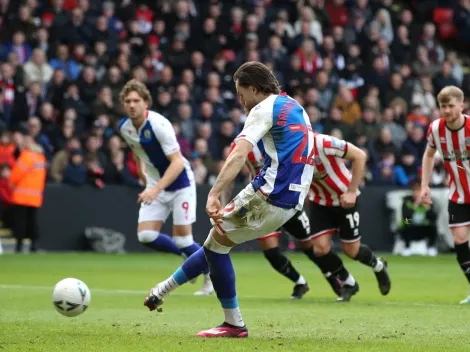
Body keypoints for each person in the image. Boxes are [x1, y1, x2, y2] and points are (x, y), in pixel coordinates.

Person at [144, 62, 315, 338]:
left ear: (255, 88)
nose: (240, 100)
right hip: (294, 201)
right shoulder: (295, 106)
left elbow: (238, 153)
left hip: (269, 193)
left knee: (215, 247)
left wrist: (213, 193)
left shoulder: (263, 108)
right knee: (217, 244)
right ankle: (162, 290)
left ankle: (233, 324)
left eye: (241, 92)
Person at [221, 140, 356, 299]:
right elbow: (229, 175)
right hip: (260, 203)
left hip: (288, 198)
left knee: (311, 246)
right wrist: (223, 205)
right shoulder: (242, 143)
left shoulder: (282, 136)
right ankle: (300, 282)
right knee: (271, 251)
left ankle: (339, 281)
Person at [118, 79, 213, 296]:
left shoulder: (159, 125)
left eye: (136, 100)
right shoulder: (125, 127)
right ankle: (189, 258)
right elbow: (138, 150)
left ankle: (209, 277)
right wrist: (144, 176)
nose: (132, 105)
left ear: (146, 103)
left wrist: (155, 189)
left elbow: (178, 162)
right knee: (146, 236)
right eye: (127, 101)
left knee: (183, 239)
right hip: (156, 185)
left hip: (180, 184)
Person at [308, 132, 391, 302]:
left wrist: (352, 191)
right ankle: (349, 282)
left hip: (344, 199)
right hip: (319, 202)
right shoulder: (286, 150)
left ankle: (378, 265)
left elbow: (360, 155)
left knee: (351, 251)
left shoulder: (323, 142)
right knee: (320, 249)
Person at [420, 85, 470, 304]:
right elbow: (429, 155)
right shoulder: (435, 129)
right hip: (458, 194)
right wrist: (425, 185)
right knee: (459, 240)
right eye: (443, 106)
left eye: (451, 105)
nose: (447, 110)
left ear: (461, 105)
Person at [8, 135, 47, 253]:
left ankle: (19, 246)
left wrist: (11, 185)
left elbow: (16, 174)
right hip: (35, 197)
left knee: (20, 222)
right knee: (32, 222)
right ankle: (33, 246)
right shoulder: (41, 158)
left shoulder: (26, 156)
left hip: (22, 195)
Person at [400, 179, 438, 256]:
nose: (418, 194)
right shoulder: (407, 201)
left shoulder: (428, 201)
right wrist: (415, 205)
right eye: (416, 191)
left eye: (420, 191)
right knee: (406, 224)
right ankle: (407, 248)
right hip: (410, 225)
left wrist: (427, 208)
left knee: (433, 227)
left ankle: (431, 248)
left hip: (423, 227)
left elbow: (434, 218)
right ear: (413, 192)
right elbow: (405, 217)